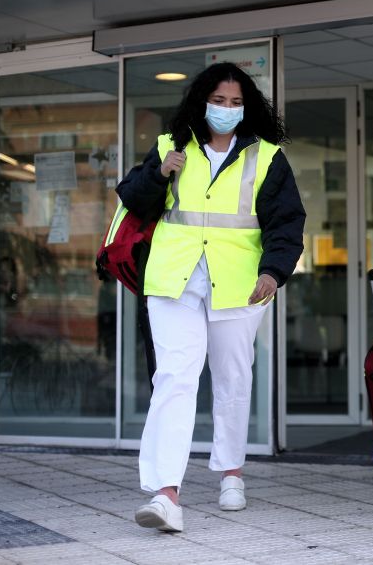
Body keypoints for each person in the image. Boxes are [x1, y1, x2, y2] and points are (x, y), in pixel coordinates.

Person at [117, 62, 305, 533]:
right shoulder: (170, 146)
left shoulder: (267, 158)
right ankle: (165, 493)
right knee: (175, 378)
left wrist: (273, 272)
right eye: (218, 100)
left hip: (239, 284)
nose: (226, 109)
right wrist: (159, 174)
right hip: (173, 281)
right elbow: (132, 201)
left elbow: (287, 224)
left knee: (232, 377)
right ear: (201, 102)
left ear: (248, 108)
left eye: (235, 102)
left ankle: (231, 472)